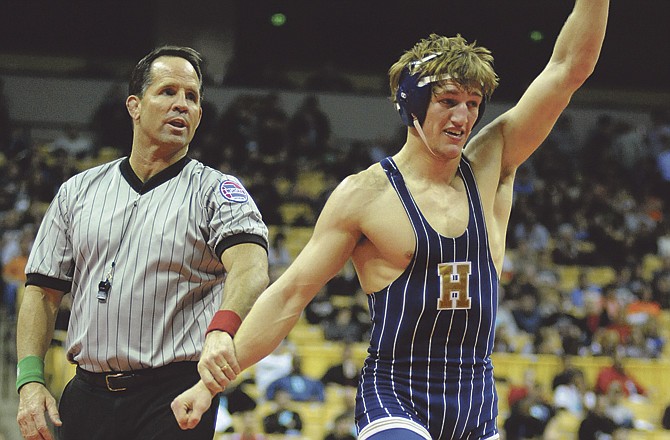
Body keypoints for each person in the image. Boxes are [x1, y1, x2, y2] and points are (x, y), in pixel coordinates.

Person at [173, 1, 610, 438]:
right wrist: (210, 385)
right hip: (396, 396)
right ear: (412, 105)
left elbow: (569, 67)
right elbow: (290, 296)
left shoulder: (492, 163)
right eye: (448, 101)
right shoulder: (365, 196)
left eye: (473, 103)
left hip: (475, 401)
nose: (463, 118)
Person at [15, 46, 270, 440]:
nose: (182, 105)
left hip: (172, 394)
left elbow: (251, 267)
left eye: (192, 97)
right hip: (86, 394)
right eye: (168, 92)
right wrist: (30, 380)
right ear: (134, 105)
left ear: (200, 115)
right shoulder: (77, 191)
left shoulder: (217, 191)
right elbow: (41, 292)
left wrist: (222, 328)